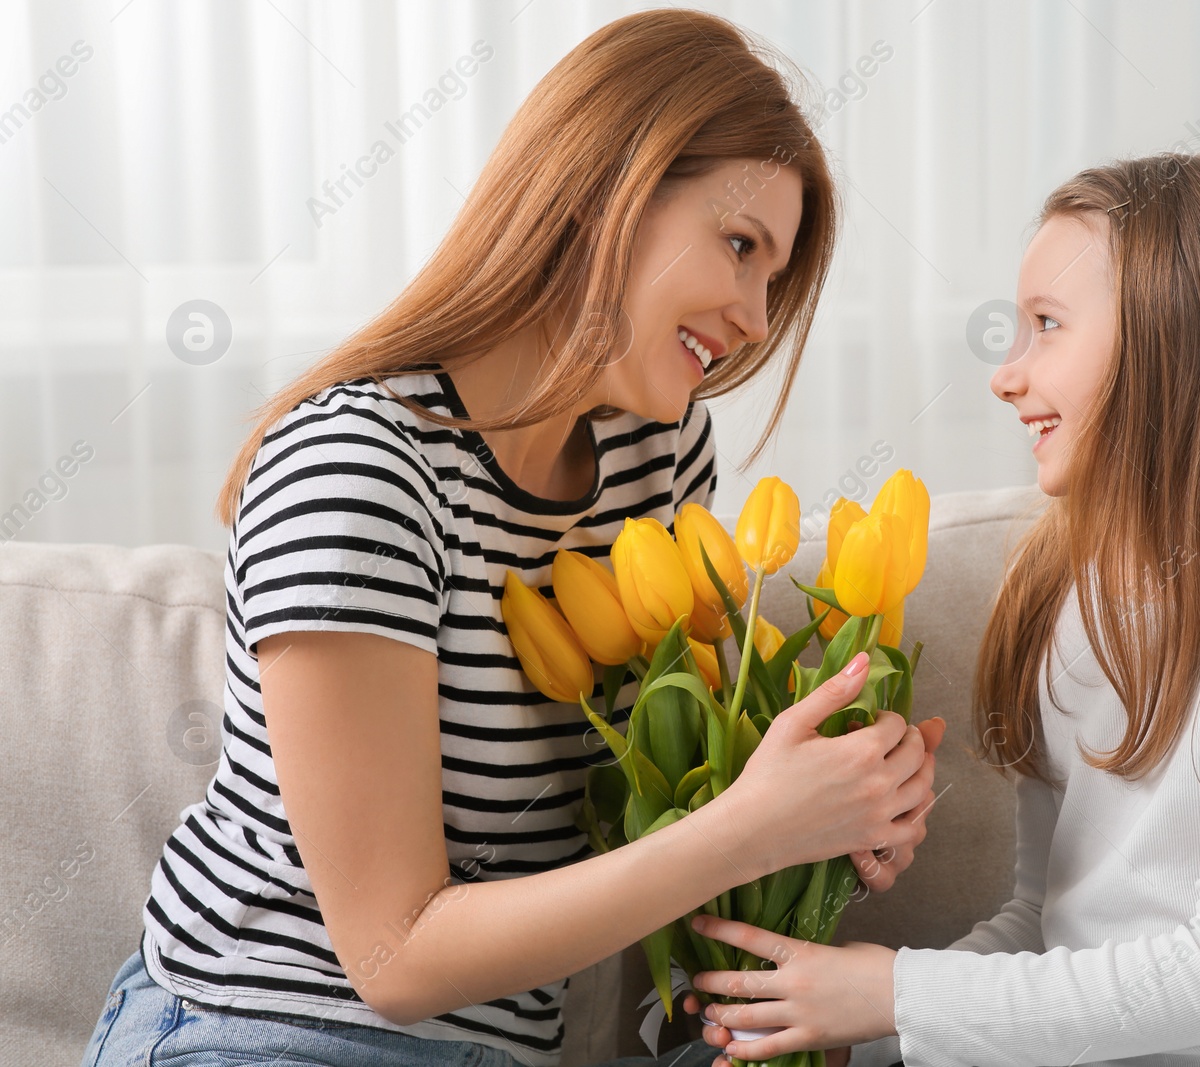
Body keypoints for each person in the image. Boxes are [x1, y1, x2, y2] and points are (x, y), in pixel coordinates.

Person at [80, 10, 944, 1067]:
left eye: (775, 278)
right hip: (268, 1029)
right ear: (601, 196)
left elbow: (668, 815)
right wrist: (750, 827)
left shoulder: (656, 456)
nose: (758, 318)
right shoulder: (362, 462)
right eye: (738, 246)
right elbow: (392, 956)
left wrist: (830, 829)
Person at [684, 152, 1200, 1067]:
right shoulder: (1061, 598)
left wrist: (896, 991)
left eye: (1046, 326)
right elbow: (1048, 925)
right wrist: (857, 1030)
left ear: (1174, 342)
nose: (1005, 376)